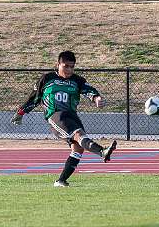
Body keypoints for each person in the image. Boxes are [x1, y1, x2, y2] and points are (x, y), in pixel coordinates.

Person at [10, 50, 117, 187]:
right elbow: (34, 98)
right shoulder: (47, 79)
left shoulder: (77, 80)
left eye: (72, 66)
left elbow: (89, 90)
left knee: (78, 148)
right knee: (78, 135)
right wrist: (21, 112)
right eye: (66, 66)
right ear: (58, 64)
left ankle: (61, 181)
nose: (69, 69)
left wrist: (97, 98)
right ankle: (102, 151)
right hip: (56, 115)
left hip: (72, 115)